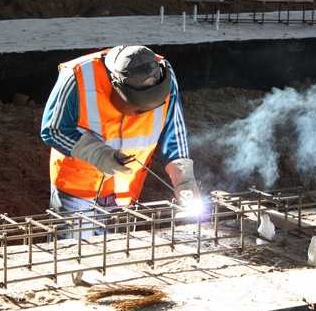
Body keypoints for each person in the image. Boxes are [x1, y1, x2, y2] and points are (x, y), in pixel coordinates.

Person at [40, 45, 199, 236]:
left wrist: (183, 178)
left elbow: (174, 127)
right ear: (115, 84)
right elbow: (53, 130)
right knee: (73, 257)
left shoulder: (163, 74)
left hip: (125, 192)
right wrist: (98, 154)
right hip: (77, 191)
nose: (139, 115)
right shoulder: (78, 75)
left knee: (117, 257)